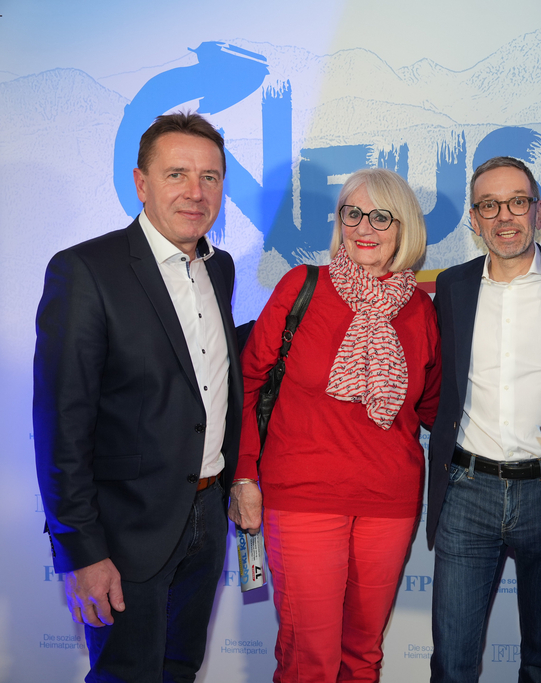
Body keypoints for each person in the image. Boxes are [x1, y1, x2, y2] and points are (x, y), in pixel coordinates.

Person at [34, 111, 241, 681]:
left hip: (207, 516)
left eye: (210, 177)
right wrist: (82, 551)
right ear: (141, 182)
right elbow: (61, 425)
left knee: (179, 669)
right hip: (124, 533)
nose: (196, 192)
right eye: (177, 174)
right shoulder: (84, 271)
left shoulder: (219, 268)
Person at [229, 168, 441, 683]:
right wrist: (244, 475)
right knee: (310, 661)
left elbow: (434, 407)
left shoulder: (421, 308)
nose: (364, 227)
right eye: (353, 213)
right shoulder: (302, 286)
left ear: (404, 227)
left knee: (363, 656)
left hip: (389, 503)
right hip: (302, 497)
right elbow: (248, 384)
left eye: (381, 216)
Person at [426, 156, 541, 683]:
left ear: (539, 211)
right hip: (467, 490)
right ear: (474, 218)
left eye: (517, 202)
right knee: (452, 663)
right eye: (489, 205)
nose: (504, 216)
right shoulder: (451, 287)